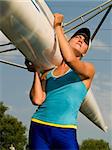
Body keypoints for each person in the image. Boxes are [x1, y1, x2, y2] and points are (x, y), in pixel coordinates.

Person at [25, 13, 95, 150]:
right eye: (78, 36)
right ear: (67, 41)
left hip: (65, 130)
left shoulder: (88, 70)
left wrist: (58, 27)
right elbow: (37, 100)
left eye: (85, 41)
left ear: (85, 52)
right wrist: (37, 71)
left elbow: (69, 59)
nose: (81, 39)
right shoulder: (48, 72)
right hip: (39, 126)